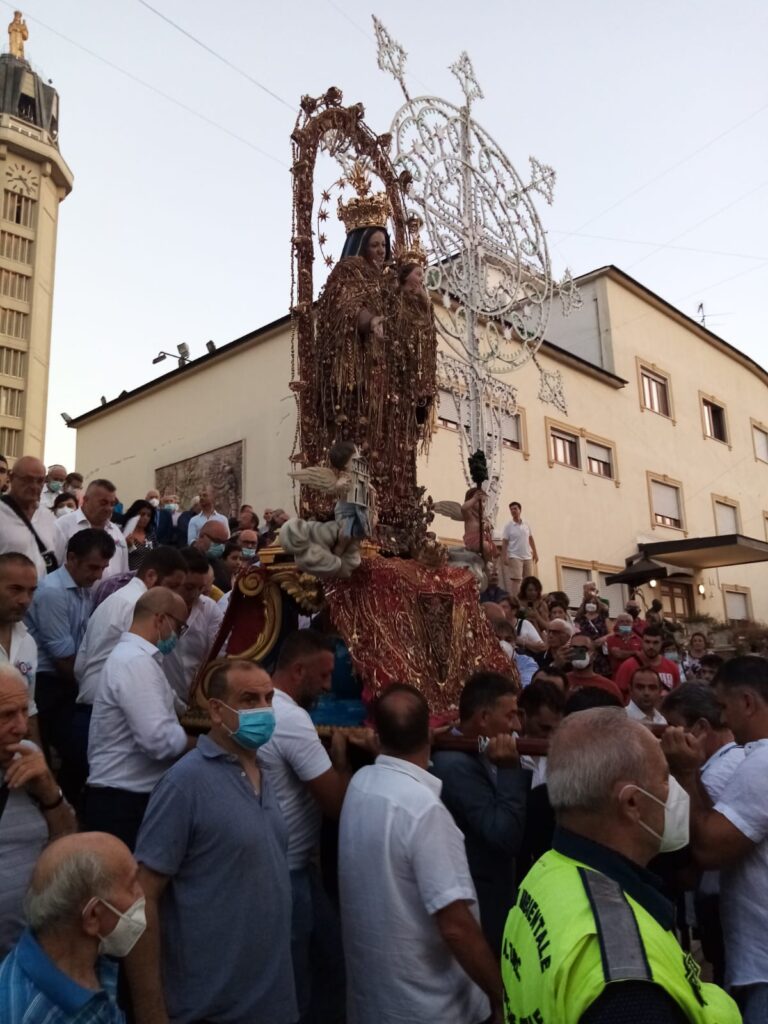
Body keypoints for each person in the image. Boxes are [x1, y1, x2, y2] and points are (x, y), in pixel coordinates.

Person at [502, 707, 740, 1023]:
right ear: (631, 802)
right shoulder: (628, 978)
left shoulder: (547, 872)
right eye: (665, 778)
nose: (674, 792)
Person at [126, 659, 297, 1024]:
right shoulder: (184, 784)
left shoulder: (264, 774)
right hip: (209, 1007)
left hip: (271, 1002)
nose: (264, 710)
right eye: (249, 700)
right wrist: (151, 1011)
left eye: (268, 698)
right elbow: (143, 895)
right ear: (217, 711)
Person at [339, 683, 502, 1024]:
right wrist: (498, 995)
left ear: (377, 736)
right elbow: (456, 926)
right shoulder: (423, 810)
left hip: (376, 1001)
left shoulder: (360, 784)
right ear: (428, 734)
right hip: (431, 1008)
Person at [259, 630, 364, 1023]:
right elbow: (336, 804)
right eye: (323, 675)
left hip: (293, 865)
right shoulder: (291, 719)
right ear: (298, 671)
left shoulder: (268, 708)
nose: (327, 686)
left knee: (329, 960)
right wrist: (342, 762)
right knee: (299, 983)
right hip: (287, 871)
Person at [663, 656, 768, 1023]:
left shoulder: (762, 764)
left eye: (724, 707)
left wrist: (685, 771)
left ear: (747, 703)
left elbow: (708, 849)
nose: (722, 718)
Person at [83, 588, 194, 849]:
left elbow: (175, 704)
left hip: (125, 796)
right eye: (180, 627)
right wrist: (201, 745)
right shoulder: (135, 662)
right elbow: (158, 740)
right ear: (161, 619)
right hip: (123, 800)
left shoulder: (141, 660)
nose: (178, 636)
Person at [431, 671, 528, 954]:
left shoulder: (477, 752)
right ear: (484, 718)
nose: (517, 726)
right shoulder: (456, 766)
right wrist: (510, 771)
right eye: (510, 716)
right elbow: (504, 836)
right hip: (481, 898)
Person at [0, 832, 143, 1024]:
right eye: (132, 886)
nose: (141, 894)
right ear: (92, 916)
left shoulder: (91, 960)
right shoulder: (24, 1016)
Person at [661, 682, 744, 986]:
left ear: (699, 728)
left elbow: (701, 846)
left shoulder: (719, 773)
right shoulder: (726, 763)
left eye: (673, 727)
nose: (666, 737)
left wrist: (684, 774)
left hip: (722, 902)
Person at [25, 529, 115, 804]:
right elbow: (63, 658)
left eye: (103, 568)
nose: (98, 575)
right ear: (72, 558)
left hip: (68, 678)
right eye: (93, 567)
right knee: (73, 749)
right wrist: (96, 688)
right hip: (46, 684)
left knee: (79, 750)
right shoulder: (53, 592)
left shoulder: (82, 588)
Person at [0, 665, 77, 957]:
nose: (22, 727)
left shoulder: (28, 758)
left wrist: (49, 791)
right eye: (7, 714)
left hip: (32, 954)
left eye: (24, 711)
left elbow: (68, 844)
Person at [74, 546, 188, 713]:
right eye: (172, 586)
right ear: (151, 576)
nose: (174, 595)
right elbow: (150, 672)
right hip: (113, 707)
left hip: (91, 701)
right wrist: (182, 709)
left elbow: (80, 664)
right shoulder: (143, 608)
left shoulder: (113, 600)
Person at [161, 547, 224, 705]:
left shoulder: (209, 608)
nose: (195, 594)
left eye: (201, 588)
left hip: (195, 698)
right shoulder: (154, 606)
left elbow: (219, 655)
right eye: (189, 587)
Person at [54, 479, 129, 580]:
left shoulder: (116, 532)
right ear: (86, 500)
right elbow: (53, 568)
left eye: (112, 504)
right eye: (103, 503)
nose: (109, 508)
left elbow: (124, 572)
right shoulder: (62, 526)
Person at [0, 552, 40, 740]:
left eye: (31, 591)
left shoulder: (28, 642)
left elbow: (29, 708)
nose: (25, 600)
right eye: (15, 589)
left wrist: (35, 751)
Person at [0, 456, 58, 579]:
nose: (34, 486)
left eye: (40, 481)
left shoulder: (48, 517)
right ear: (11, 477)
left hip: (41, 589)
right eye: (27, 479)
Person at [614, 624, 681, 701]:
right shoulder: (628, 666)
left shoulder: (672, 668)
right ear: (642, 642)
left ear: (661, 643)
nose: (651, 646)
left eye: (655, 642)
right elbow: (617, 696)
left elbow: (677, 697)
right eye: (647, 642)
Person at [566, 634, 623, 701]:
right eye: (574, 648)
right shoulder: (561, 683)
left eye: (584, 649)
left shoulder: (609, 687)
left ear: (594, 655)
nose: (579, 653)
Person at [501, 501, 538, 598]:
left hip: (527, 556)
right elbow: (505, 542)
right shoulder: (508, 526)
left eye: (515, 509)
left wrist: (535, 553)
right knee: (516, 580)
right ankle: (515, 600)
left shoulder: (527, 524)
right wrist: (504, 556)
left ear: (520, 510)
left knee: (528, 580)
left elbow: (530, 538)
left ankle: (527, 600)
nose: (513, 511)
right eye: (511, 509)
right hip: (515, 556)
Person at [120, 499, 156, 571]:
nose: (145, 518)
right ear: (134, 515)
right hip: (129, 574)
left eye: (149, 515)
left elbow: (155, 554)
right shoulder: (123, 533)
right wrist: (128, 546)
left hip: (147, 574)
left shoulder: (150, 534)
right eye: (142, 514)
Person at [605, 611, 643, 678]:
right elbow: (618, 654)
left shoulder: (639, 640)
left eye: (628, 621)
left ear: (632, 624)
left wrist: (623, 652)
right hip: (617, 676)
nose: (625, 623)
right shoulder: (610, 639)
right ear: (617, 624)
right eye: (621, 621)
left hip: (636, 676)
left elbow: (642, 657)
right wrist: (635, 652)